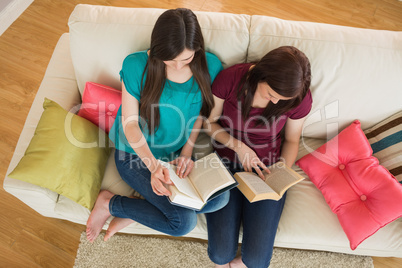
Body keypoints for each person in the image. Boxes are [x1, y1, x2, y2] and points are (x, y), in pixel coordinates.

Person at [86, 8, 227, 243]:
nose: (178, 66)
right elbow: (130, 125)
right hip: (134, 154)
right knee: (183, 223)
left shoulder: (210, 66)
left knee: (220, 199)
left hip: (173, 154)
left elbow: (201, 115)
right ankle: (110, 203)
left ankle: (144, 208)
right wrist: (153, 167)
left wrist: (187, 153)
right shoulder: (135, 65)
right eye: (169, 60)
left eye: (186, 59)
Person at [203, 46, 313, 268]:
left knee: (257, 262)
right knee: (219, 255)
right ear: (260, 74)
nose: (274, 103)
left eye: (281, 100)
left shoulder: (299, 97)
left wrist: (281, 169)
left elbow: (292, 140)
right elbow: (208, 122)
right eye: (271, 94)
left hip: (266, 170)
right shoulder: (231, 79)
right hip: (226, 163)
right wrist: (239, 147)